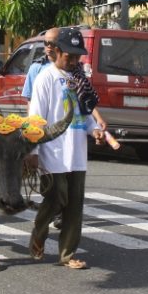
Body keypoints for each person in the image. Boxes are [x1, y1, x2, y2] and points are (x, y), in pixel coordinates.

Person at [28, 27, 104, 270]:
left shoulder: (79, 78)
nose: (73, 61)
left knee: (74, 206)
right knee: (55, 198)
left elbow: (85, 112)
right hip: (52, 152)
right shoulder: (45, 78)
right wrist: (32, 153)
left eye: (77, 57)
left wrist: (95, 130)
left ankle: (67, 254)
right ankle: (39, 233)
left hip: (77, 152)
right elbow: (36, 119)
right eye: (68, 56)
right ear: (57, 52)